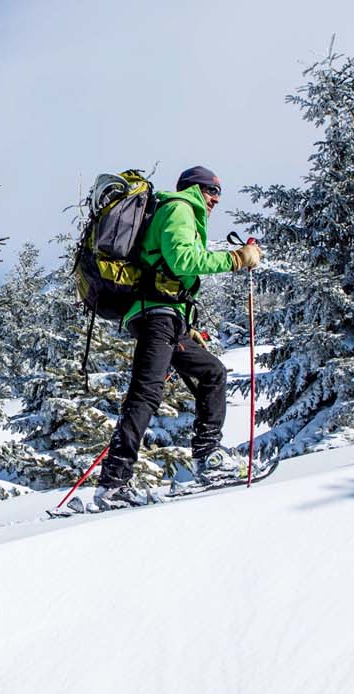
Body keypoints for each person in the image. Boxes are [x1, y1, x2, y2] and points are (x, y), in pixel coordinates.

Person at [94, 165, 262, 509]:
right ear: (195, 189)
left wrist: (186, 326)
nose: (216, 199)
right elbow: (182, 259)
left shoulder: (184, 212)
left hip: (167, 318)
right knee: (146, 393)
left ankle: (207, 458)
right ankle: (113, 482)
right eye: (212, 191)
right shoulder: (179, 208)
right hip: (156, 315)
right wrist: (237, 259)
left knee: (212, 372)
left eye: (218, 193)